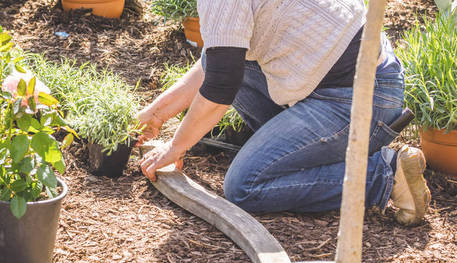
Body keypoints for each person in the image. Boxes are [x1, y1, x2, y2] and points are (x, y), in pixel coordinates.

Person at [136, 0, 431, 226]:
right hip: (352, 79)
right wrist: (157, 113)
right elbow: (216, 60)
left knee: (244, 186)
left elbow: (221, 85)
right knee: (229, 54)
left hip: (357, 98)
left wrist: (175, 147)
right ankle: (297, 155)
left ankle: (383, 175)